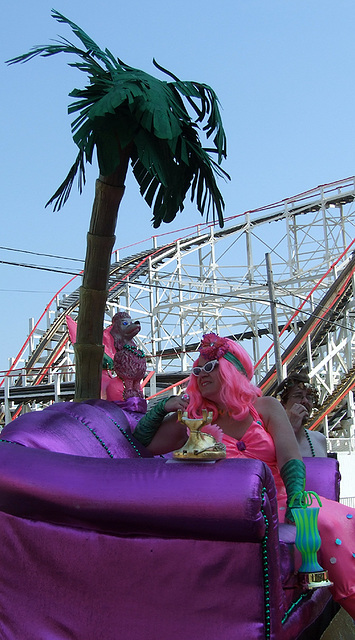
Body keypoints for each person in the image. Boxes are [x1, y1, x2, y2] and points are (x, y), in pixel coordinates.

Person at [133, 333, 355, 618]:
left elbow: (290, 458)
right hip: (227, 507)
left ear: (230, 368)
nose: (201, 375)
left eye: (210, 366)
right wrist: (162, 407)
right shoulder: (193, 416)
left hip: (282, 502)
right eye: (197, 370)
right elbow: (145, 444)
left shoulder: (267, 407)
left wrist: (298, 493)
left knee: (334, 522)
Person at [276, 373, 327, 457]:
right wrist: (292, 429)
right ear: (283, 404)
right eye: (298, 396)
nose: (305, 401)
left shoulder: (319, 439)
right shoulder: (271, 440)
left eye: (309, 397)